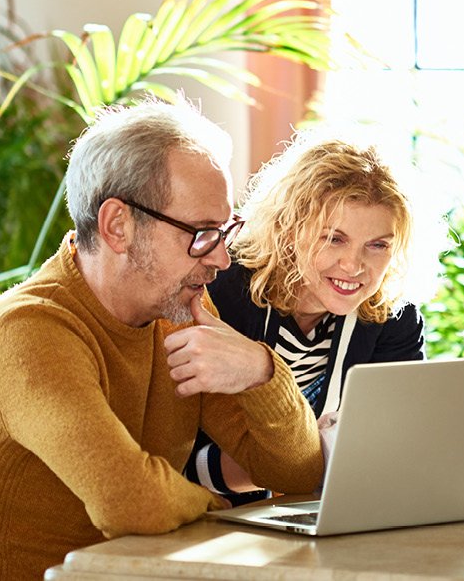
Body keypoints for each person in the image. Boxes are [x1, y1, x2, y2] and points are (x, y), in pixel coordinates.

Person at [0, 98, 325, 579]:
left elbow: (299, 475)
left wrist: (261, 370)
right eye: (201, 232)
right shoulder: (28, 329)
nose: (221, 259)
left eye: (224, 230)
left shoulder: (179, 316)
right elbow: (129, 502)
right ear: (118, 225)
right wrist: (217, 506)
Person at [185, 131, 440, 505]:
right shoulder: (221, 294)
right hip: (217, 523)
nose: (353, 266)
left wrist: (309, 463)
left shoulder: (393, 319)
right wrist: (306, 463)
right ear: (288, 230)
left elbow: (393, 451)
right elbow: (180, 459)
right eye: (334, 239)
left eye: (378, 245)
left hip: (325, 516)